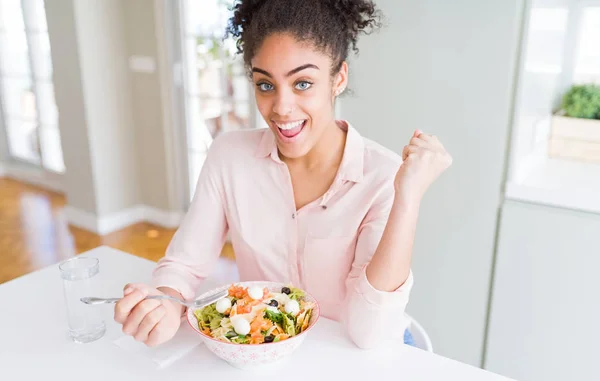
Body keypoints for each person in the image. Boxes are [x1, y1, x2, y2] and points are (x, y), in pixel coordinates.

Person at [114, 0, 452, 349]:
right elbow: (183, 265)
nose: (281, 108)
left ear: (339, 78)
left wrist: (408, 198)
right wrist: (166, 302)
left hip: (358, 356)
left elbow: (371, 334)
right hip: (269, 355)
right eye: (265, 85)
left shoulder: (382, 176)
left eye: (302, 83)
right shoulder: (229, 157)